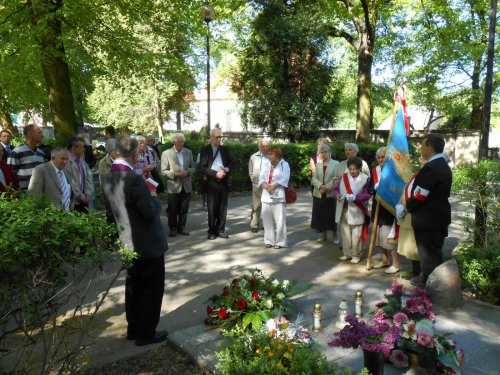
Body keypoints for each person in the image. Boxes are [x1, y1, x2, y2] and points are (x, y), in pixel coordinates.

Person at [102, 135, 168, 346]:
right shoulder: (134, 179)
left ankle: (134, 328)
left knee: (134, 286)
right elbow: (149, 212)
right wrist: (153, 197)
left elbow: (111, 213)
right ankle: (146, 333)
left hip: (127, 241)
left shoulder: (109, 176)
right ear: (133, 154)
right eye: (139, 153)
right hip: (147, 243)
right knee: (151, 288)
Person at [398, 133, 452, 286]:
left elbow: (420, 196)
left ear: (430, 147)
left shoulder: (432, 168)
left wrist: (405, 208)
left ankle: (429, 292)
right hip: (435, 219)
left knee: (429, 259)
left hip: (428, 221)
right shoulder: (441, 164)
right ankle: (432, 287)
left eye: (423, 145)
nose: (421, 148)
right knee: (433, 256)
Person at [333, 157, 371, 264]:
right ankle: (347, 253)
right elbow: (335, 189)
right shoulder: (344, 177)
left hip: (357, 209)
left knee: (356, 233)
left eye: (354, 169)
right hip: (344, 208)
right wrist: (337, 195)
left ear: (359, 168)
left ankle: (356, 254)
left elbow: (367, 194)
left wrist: (356, 197)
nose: (352, 171)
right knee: (345, 232)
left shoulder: (365, 178)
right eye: (350, 169)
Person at [370, 147, 400, 274]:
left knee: (388, 235)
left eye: (383, 157)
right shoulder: (374, 171)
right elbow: (370, 188)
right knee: (379, 235)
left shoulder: (395, 171)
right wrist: (374, 187)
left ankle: (396, 263)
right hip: (378, 205)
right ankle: (385, 259)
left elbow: (397, 189)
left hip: (389, 207)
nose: (381, 159)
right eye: (379, 157)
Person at [161, 132, 196, 237]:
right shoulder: (166, 153)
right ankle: (173, 228)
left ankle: (182, 227)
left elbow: (193, 166)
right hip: (173, 185)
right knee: (173, 209)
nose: (181, 144)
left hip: (186, 184)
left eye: (183, 142)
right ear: (174, 142)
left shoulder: (188, 152)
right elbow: (163, 171)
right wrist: (175, 174)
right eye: (179, 142)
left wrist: (188, 172)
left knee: (184, 208)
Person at [200, 128, 232, 240]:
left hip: (223, 182)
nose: (219, 139)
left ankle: (221, 230)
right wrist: (215, 174)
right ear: (211, 137)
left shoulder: (225, 149)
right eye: (217, 137)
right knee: (212, 208)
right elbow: (203, 168)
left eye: (220, 137)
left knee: (223, 208)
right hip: (211, 183)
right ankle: (212, 231)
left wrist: (227, 169)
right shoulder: (205, 150)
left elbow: (230, 164)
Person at [258, 147, 290, 249]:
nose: (269, 156)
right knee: (267, 221)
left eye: (271, 154)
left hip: (278, 196)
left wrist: (272, 187)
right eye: (269, 154)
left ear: (278, 155)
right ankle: (269, 241)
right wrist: (268, 187)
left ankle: (280, 242)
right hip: (266, 196)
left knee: (280, 220)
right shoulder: (266, 164)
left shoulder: (285, 165)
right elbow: (261, 178)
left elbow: (285, 178)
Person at [310, 144, 339, 242]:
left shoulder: (336, 164)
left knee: (331, 215)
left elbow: (336, 178)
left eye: (325, 152)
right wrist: (320, 186)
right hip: (319, 192)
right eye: (321, 152)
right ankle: (323, 235)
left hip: (330, 194)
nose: (323, 154)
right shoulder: (318, 164)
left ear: (330, 152)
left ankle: (335, 236)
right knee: (321, 215)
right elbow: (314, 178)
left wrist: (326, 188)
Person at [7, 124, 45, 189]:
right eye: (39, 132)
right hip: (22, 194)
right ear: (30, 134)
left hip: (39, 192)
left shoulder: (41, 153)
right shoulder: (17, 152)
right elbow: (9, 175)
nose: (42, 135)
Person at [65, 136, 93, 213]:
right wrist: (82, 197)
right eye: (82, 147)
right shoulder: (66, 161)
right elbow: (71, 182)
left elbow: (88, 175)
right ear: (74, 149)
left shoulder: (81, 158)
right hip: (74, 202)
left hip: (84, 198)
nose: (84, 150)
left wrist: (88, 193)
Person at [248, 138, 270, 233]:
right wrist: (253, 180)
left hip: (269, 184)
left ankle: (266, 224)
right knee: (256, 205)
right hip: (257, 184)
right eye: (263, 146)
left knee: (267, 205)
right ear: (259, 146)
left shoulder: (271, 156)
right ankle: (255, 224)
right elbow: (250, 171)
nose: (265, 148)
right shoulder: (254, 157)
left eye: (267, 146)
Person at [196, 138, 211, 210]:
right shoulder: (201, 153)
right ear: (205, 143)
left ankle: (211, 204)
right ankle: (205, 204)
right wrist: (204, 174)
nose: (208, 143)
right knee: (205, 190)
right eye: (207, 142)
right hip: (204, 174)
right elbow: (199, 165)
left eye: (209, 142)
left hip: (212, 175)